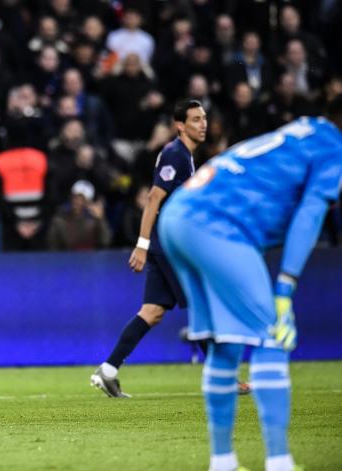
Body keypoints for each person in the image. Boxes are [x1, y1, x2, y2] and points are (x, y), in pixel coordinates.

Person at [158, 96, 342, 471]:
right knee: (270, 335)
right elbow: (310, 215)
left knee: (226, 347)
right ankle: (279, 462)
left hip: (177, 216)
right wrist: (285, 288)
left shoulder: (302, 132)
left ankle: (222, 461)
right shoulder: (333, 148)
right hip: (218, 225)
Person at [90, 100, 209, 397]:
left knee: (152, 311)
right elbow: (154, 198)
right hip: (169, 245)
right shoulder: (175, 154)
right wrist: (141, 245)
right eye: (195, 119)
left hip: (165, 243)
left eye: (203, 118)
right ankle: (225, 376)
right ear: (180, 125)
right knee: (202, 303)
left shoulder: (185, 156)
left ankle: (108, 370)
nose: (202, 124)